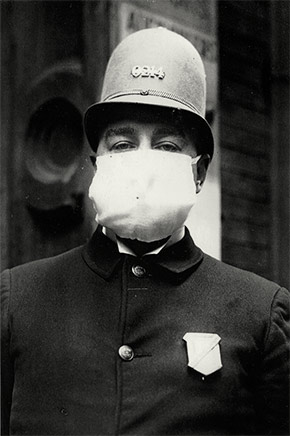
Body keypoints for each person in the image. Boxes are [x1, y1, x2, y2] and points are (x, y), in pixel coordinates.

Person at [1, 27, 289, 436]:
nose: (143, 163)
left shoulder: (260, 315)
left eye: (168, 146)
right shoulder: (18, 302)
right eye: (122, 145)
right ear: (96, 163)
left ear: (200, 172)